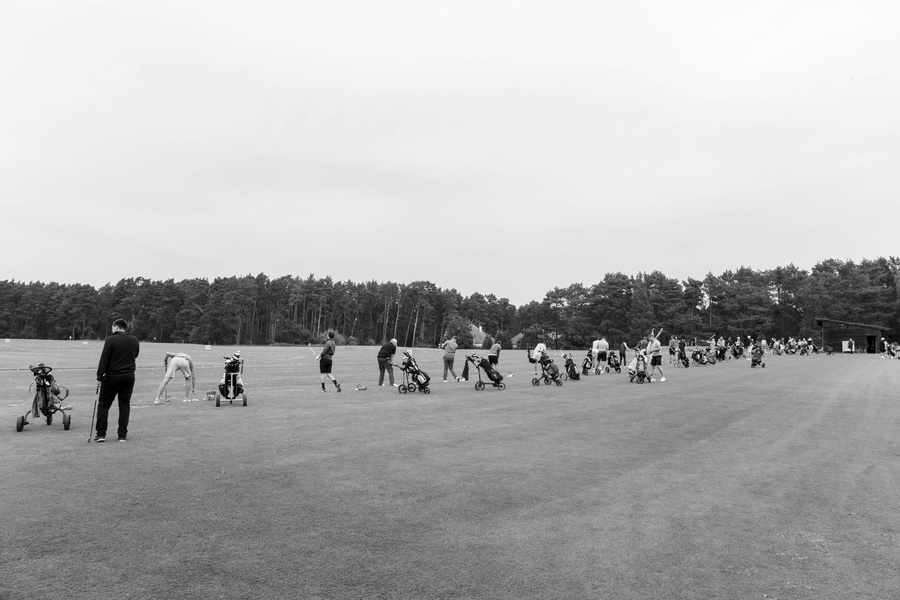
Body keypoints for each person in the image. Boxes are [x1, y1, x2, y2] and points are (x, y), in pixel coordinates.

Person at [95, 319, 140, 442]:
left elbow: (104, 359)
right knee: (124, 405)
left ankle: (101, 434)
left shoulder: (111, 340)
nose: (112, 329)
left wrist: (99, 377)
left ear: (116, 327)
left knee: (104, 405)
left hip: (112, 376)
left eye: (112, 327)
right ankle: (122, 435)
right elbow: (135, 354)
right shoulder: (134, 339)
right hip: (129, 376)